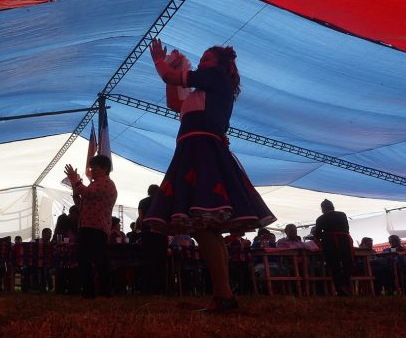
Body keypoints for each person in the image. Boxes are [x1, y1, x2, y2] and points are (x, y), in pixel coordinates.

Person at [143, 39, 276, 313]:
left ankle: (223, 294)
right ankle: (223, 295)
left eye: (207, 58)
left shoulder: (216, 77)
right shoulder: (204, 90)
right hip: (196, 150)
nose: (202, 62)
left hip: (201, 151)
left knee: (202, 224)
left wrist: (160, 62)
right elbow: (173, 102)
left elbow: (170, 77)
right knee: (208, 226)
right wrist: (173, 70)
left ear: (220, 64)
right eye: (201, 59)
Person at [64, 154, 118, 299]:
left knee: (97, 260)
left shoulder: (106, 183)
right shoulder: (96, 184)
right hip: (89, 226)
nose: (91, 171)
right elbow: (80, 204)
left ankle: (102, 291)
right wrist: (75, 188)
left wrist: (75, 180)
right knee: (86, 259)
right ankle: (91, 291)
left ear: (104, 169)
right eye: (91, 168)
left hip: (96, 226)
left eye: (94, 168)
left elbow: (87, 193)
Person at [314, 199, 354, 296]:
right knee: (348, 263)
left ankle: (340, 288)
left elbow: (317, 234)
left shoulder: (320, 219)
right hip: (344, 241)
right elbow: (346, 229)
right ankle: (344, 284)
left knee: (334, 266)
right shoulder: (342, 215)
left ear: (322, 209)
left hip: (329, 243)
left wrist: (325, 235)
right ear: (332, 206)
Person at [137, 184, 168, 294]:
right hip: (161, 233)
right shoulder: (163, 201)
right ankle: (161, 288)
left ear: (148, 191)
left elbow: (141, 219)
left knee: (148, 260)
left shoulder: (142, 202)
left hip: (147, 234)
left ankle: (148, 288)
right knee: (161, 261)